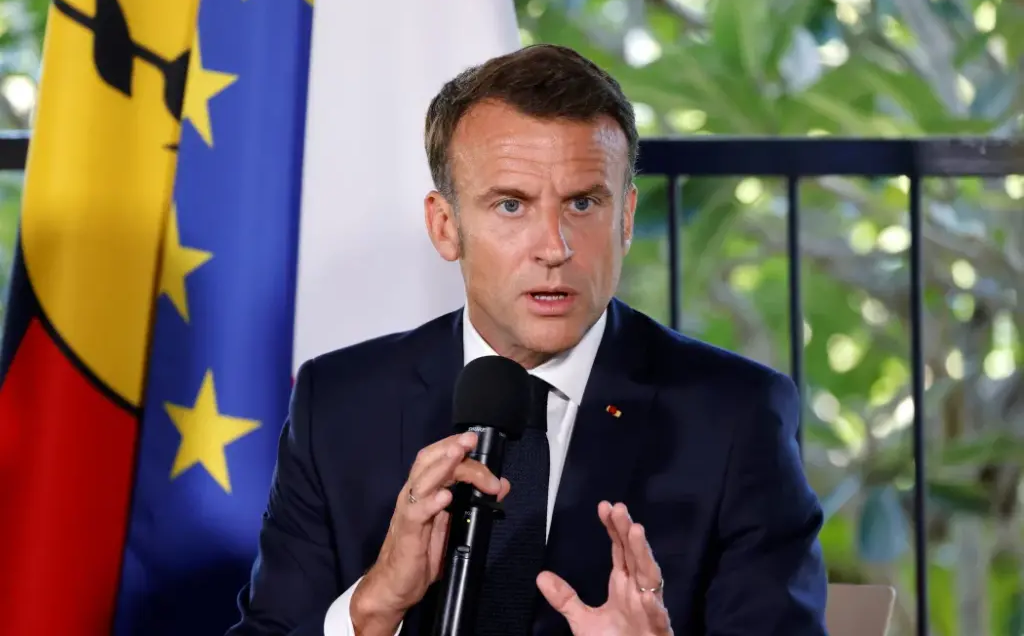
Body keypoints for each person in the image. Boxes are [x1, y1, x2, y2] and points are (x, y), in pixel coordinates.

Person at [226, 44, 828, 636]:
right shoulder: (340, 404)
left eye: (584, 203)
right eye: (511, 205)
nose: (554, 247)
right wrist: (375, 606)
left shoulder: (735, 416)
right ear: (445, 225)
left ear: (625, 219)